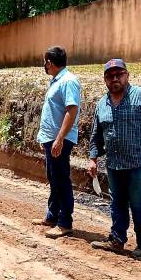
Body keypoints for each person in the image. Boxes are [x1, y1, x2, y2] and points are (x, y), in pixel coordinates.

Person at [87, 59, 141, 257]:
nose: (115, 79)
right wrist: (93, 158)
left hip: (138, 163)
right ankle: (117, 239)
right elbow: (96, 135)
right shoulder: (101, 104)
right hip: (114, 164)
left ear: (127, 75)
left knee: (138, 202)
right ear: (105, 80)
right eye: (110, 76)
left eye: (119, 74)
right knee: (117, 203)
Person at [33, 46, 82, 238]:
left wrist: (59, 139)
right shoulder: (57, 81)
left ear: (49, 63)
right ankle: (52, 216)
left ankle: (65, 223)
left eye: (44, 62)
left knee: (61, 180)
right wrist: (44, 137)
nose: (44, 66)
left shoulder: (68, 81)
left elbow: (72, 111)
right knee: (53, 179)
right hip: (51, 139)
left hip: (59, 140)